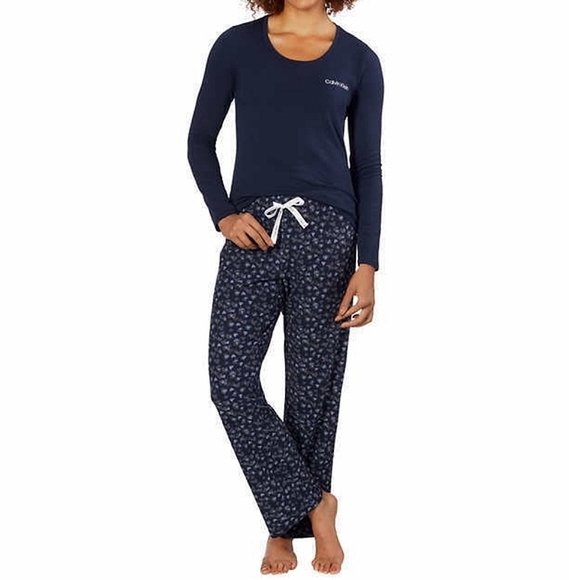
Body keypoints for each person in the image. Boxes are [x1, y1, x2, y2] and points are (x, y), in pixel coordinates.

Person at [186, 0, 384, 574]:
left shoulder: (359, 60)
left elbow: (367, 167)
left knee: (311, 391)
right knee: (229, 381)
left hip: (329, 235)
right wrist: (223, 214)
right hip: (253, 230)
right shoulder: (235, 45)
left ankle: (284, 530)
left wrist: (368, 263)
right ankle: (312, 504)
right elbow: (199, 140)